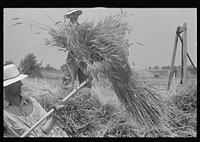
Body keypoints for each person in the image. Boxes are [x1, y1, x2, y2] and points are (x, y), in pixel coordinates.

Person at [3, 64, 65, 137]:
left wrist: (55, 114)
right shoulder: (5, 114)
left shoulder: (32, 102)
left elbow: (45, 129)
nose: (21, 84)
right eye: (16, 82)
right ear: (6, 86)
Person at [62, 9, 92, 89]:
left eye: (76, 14)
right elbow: (67, 42)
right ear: (69, 16)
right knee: (68, 78)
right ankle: (64, 95)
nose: (75, 16)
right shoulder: (67, 28)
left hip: (82, 57)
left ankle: (85, 97)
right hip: (72, 56)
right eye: (73, 14)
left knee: (85, 79)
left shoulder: (81, 28)